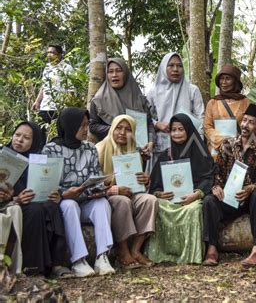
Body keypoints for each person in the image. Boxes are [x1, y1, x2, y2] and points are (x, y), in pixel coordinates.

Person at [42, 107, 115, 277]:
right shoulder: (51, 150)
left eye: (87, 124)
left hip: (87, 199)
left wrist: (99, 188)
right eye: (81, 125)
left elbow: (95, 176)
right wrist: (63, 193)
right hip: (65, 204)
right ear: (69, 125)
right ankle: (78, 260)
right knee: (69, 205)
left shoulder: (89, 148)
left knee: (102, 203)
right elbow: (46, 183)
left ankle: (102, 256)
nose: (86, 129)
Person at [1, 121, 71, 278]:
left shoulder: (38, 159)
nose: (19, 140)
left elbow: (46, 182)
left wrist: (55, 194)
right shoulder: (3, 156)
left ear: (34, 142)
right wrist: (15, 198)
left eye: (26, 137)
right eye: (17, 135)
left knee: (52, 207)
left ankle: (56, 264)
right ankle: (33, 268)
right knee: (35, 210)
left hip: (32, 201)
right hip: (11, 204)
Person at [202, 104, 256, 267]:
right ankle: (212, 249)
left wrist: (251, 188)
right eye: (244, 120)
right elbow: (216, 171)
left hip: (248, 200)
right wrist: (216, 185)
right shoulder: (228, 145)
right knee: (210, 200)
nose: (245, 125)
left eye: (251, 122)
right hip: (229, 198)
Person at [145, 114, 214, 264]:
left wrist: (196, 195)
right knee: (159, 206)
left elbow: (209, 178)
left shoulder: (201, 153)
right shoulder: (165, 155)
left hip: (192, 198)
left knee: (193, 210)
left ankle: (189, 255)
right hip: (170, 200)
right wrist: (159, 194)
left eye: (181, 129)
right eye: (173, 130)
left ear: (189, 131)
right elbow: (154, 185)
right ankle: (162, 254)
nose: (176, 133)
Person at [96, 115, 157, 268]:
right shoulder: (99, 149)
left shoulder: (133, 150)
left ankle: (136, 250)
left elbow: (136, 184)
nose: (123, 132)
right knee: (122, 201)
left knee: (149, 200)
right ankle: (122, 251)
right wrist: (115, 189)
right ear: (112, 129)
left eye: (128, 129)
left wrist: (145, 180)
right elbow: (93, 185)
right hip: (107, 196)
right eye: (119, 128)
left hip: (130, 194)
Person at [89, 58, 154, 157]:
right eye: (110, 72)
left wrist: (151, 141)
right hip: (111, 153)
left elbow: (149, 123)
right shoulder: (99, 100)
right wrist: (115, 130)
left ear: (126, 74)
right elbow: (93, 126)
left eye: (118, 71)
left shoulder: (139, 98)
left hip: (137, 153)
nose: (114, 75)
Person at [146, 52, 205, 152]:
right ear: (164, 67)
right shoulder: (153, 92)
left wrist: (199, 143)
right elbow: (146, 118)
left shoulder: (192, 90)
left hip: (188, 145)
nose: (175, 69)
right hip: (161, 146)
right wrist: (158, 124)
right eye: (171, 65)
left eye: (179, 66)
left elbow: (201, 117)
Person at [204, 64, 251, 156]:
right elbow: (207, 127)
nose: (223, 82)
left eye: (227, 79)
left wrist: (238, 141)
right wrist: (222, 141)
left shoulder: (245, 101)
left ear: (235, 82)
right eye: (222, 79)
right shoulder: (213, 102)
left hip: (238, 149)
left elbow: (250, 125)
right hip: (216, 150)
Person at [32, 44, 73, 124]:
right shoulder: (47, 68)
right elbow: (44, 86)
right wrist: (37, 101)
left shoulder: (67, 68)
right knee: (41, 131)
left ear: (60, 55)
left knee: (59, 133)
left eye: (52, 53)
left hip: (59, 107)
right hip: (45, 106)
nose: (49, 55)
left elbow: (71, 89)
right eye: (48, 52)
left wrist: (68, 108)